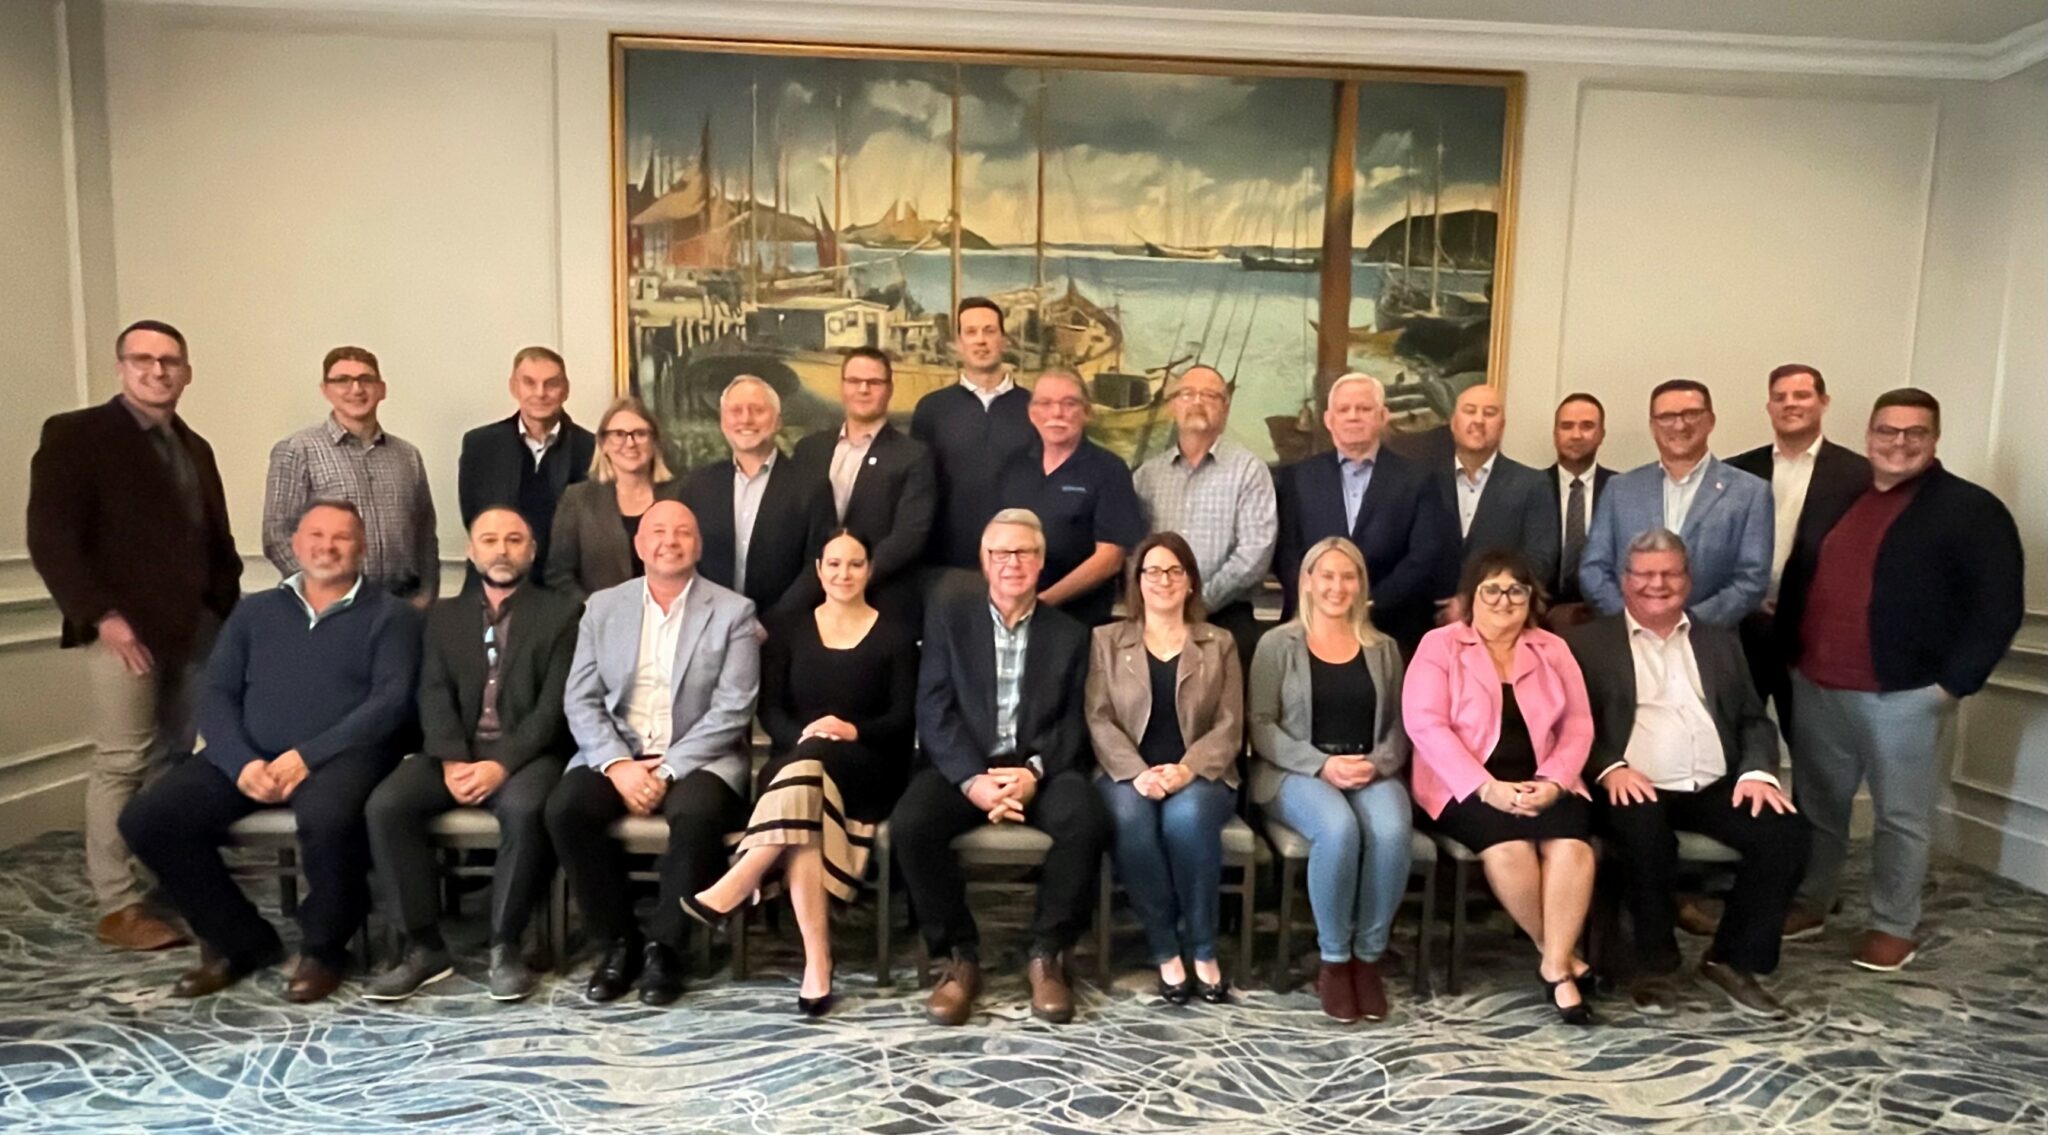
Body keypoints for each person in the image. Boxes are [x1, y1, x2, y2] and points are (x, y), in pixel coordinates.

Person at [118, 501, 421, 1003]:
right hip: (250, 754)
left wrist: (308, 756)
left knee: (330, 819)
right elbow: (217, 693)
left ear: (363, 547)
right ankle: (238, 942)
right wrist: (241, 762)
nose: (327, 547)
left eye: (342, 537)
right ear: (296, 544)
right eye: (316, 535)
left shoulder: (393, 616)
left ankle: (325, 949)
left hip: (344, 755)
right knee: (149, 819)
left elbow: (391, 702)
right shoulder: (254, 611)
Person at [1776, 389, 2024, 971]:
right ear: (1869, 435)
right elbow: (1802, 576)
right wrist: (1790, 656)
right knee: (1818, 806)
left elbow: (1998, 608)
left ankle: (1893, 925)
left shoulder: (1971, 509)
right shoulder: (1842, 498)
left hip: (1905, 693)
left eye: (1915, 432)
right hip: (1818, 683)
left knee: (1900, 817)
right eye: (1888, 431)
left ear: (1934, 438)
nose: (1900, 443)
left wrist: (1951, 685)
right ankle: (1813, 901)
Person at [27, 319, 241, 952]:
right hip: (124, 630)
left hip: (196, 627)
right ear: (121, 367)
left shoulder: (194, 446)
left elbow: (214, 538)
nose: (158, 370)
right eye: (144, 359)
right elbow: (52, 538)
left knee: (173, 759)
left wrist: (225, 613)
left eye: (170, 360)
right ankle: (118, 903)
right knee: (122, 760)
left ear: (187, 372)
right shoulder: (76, 435)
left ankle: (162, 872)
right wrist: (102, 617)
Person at [1562, 529, 1809, 1019]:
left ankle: (1732, 959)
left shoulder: (1718, 640)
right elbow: (1564, 723)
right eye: (1645, 574)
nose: (1657, 584)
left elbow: (1752, 719)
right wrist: (1609, 767)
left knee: (1785, 832)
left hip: (1713, 783)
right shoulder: (1585, 643)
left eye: (1670, 573)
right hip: (1632, 781)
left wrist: (1757, 772)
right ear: (1625, 580)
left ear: (1688, 580)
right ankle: (1653, 964)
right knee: (1645, 834)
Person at [890, 509, 1111, 1026]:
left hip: (1039, 769)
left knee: (1087, 819)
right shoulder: (950, 621)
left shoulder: (1071, 634)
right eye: (1001, 553)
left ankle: (1047, 954)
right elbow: (934, 709)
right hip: (965, 767)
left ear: (1041, 562)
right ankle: (959, 956)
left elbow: (1075, 721)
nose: (1013, 562)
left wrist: (1033, 772)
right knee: (912, 824)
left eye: (1024, 552)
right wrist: (972, 781)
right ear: (984, 561)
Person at [687, 530, 918, 1016]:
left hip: (869, 766)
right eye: (833, 564)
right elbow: (770, 711)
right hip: (795, 759)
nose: (843, 574)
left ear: (869, 570)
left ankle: (744, 875)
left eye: (854, 564)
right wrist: (808, 739)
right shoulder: (789, 629)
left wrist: (850, 730)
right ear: (818, 570)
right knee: (805, 804)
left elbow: (903, 719)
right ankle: (818, 960)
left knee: (806, 778)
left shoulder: (896, 634)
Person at [543, 500, 759, 1006]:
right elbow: (581, 698)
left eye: (683, 532)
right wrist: (618, 765)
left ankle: (667, 949)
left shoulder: (734, 611)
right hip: (618, 752)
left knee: (697, 814)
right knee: (566, 809)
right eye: (658, 531)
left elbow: (733, 709)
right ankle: (618, 943)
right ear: (639, 545)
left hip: (701, 756)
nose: (670, 541)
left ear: (698, 546)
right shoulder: (603, 608)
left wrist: (668, 769)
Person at [363, 508, 580, 1003]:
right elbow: (432, 692)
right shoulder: (442, 616)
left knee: (525, 809)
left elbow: (554, 706)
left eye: (514, 539)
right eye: (489, 539)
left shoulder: (564, 614)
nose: (501, 550)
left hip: (528, 754)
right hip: (454, 752)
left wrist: (500, 764)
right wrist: (452, 760)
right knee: (387, 805)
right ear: (471, 550)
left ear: (532, 551)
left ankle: (506, 945)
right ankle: (423, 946)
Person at [1405, 550, 1598, 1024]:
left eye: (1516, 589)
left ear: (1531, 598)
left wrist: (1554, 781)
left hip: (1543, 779)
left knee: (1573, 848)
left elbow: (1578, 725)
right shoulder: (1440, 645)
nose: (1503, 599)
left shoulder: (1553, 650)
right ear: (1471, 597)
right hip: (1461, 786)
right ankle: (1558, 959)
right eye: (1491, 589)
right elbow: (1425, 725)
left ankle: (1554, 963)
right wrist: (1485, 787)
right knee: (1510, 850)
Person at [1249, 537, 1412, 1023]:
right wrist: (1321, 765)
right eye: (1326, 575)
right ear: (1307, 581)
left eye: (1348, 576)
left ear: (1361, 585)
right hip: (1296, 770)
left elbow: (1401, 726)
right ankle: (1336, 961)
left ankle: (1368, 958)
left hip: (1369, 767)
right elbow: (1260, 724)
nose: (1337, 587)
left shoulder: (1383, 649)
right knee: (1338, 829)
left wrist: (1377, 764)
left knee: (1392, 829)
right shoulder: (1277, 645)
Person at [1085, 533, 1243, 1005]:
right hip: (1127, 774)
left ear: (1191, 581)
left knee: (1186, 819)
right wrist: (1137, 773)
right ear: (1137, 581)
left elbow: (1230, 724)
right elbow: (1098, 718)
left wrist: (1187, 769)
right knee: (1130, 819)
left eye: (1176, 570)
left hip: (1201, 776)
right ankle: (1165, 947)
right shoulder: (1106, 640)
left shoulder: (1219, 643)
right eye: (1152, 570)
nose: (1164, 580)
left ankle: (1203, 947)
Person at [1727, 364, 1870, 740]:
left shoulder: (1859, 475)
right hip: (1743, 629)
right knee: (1733, 741)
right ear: (1769, 407)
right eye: (1780, 397)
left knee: (1813, 747)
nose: (1790, 404)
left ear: (1824, 402)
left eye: (1802, 395)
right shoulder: (1736, 471)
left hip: (1813, 635)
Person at [1275, 374, 1453, 654]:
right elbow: (1286, 553)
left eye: (1364, 409)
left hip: (1391, 627)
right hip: (1311, 627)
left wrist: (1367, 603)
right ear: (1328, 420)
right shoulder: (1298, 478)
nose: (1353, 416)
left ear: (1383, 417)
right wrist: (1320, 601)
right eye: (1344, 409)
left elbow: (1424, 556)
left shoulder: (1419, 479)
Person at [1578, 380, 1771, 628]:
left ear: (1711, 420)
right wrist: (1632, 622)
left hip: (1709, 638)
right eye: (1667, 417)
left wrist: (1686, 625)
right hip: (1627, 638)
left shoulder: (1750, 492)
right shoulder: (1620, 489)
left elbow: (1752, 579)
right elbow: (1593, 569)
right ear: (1652, 426)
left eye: (1691, 414)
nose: (1679, 425)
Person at [263, 346, 439, 606]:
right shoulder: (298, 450)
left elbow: (425, 535)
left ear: (382, 389)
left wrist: (426, 595)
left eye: (366, 379)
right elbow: (277, 535)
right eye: (342, 380)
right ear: (325, 390)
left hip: (401, 604)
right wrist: (324, 592)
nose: (356, 389)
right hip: (329, 606)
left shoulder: (407, 455)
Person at [1132, 365, 1277, 669]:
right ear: (1173, 405)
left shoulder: (1249, 471)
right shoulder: (1147, 476)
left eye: (1209, 395)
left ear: (1225, 408)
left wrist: (1198, 602)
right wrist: (1161, 602)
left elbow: (1254, 554)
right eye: (1187, 394)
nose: (1197, 402)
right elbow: (1133, 551)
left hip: (1225, 618)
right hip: (1155, 623)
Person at [788, 347, 936, 622]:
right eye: (854, 381)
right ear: (842, 386)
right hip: (808, 601)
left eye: (874, 382)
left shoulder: (914, 455)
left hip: (879, 600)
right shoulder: (809, 449)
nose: (863, 389)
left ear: (889, 389)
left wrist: (852, 576)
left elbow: (910, 535)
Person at [996, 369, 1146, 626]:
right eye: (1046, 403)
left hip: (1077, 620)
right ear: (1032, 413)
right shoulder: (1013, 466)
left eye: (1069, 403)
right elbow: (996, 541)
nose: (1057, 413)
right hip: (1010, 615)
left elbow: (1110, 558)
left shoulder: (1109, 470)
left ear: (1086, 412)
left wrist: (1042, 603)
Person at [680, 375, 831, 620]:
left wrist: (773, 623)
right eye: (736, 411)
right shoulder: (697, 487)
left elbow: (817, 564)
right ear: (723, 421)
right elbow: (684, 560)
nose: (746, 419)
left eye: (757, 410)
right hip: (709, 625)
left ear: (778, 421)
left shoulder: (812, 487)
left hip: (785, 629)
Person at [910, 297, 1036, 571]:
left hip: (1017, 564)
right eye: (971, 332)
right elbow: (917, 490)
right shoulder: (931, 409)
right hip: (947, 564)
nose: (981, 340)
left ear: (1004, 340)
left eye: (989, 331)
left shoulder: (1036, 408)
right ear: (958, 343)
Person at [455, 346, 596, 582]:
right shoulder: (480, 446)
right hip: (495, 581)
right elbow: (474, 518)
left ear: (566, 390)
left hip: (566, 586)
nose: (540, 393)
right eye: (529, 383)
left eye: (551, 384)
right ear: (514, 387)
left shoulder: (593, 449)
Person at [1433, 383, 1560, 615]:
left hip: (1500, 615)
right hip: (1423, 617)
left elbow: (1539, 560)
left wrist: (1474, 601)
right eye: (1470, 411)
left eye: (1489, 413)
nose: (1479, 420)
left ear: (1502, 427)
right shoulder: (1424, 478)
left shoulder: (1532, 484)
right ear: (1453, 423)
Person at [546, 396, 686, 600]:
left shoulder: (682, 495)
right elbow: (558, 575)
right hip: (598, 617)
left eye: (640, 434)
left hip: (674, 615)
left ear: (654, 442)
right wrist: (595, 610)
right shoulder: (578, 499)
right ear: (603, 444)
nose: (630, 443)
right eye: (618, 434)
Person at [1544, 392, 1616, 621]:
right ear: (1555, 433)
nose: (1576, 435)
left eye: (1587, 426)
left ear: (1601, 434)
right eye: (1567, 426)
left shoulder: (1621, 489)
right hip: (1539, 615)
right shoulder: (1530, 487)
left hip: (1604, 616)